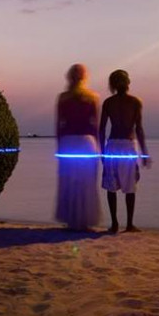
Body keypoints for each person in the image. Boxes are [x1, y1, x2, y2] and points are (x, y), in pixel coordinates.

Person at [99, 69, 150, 233]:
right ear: (128, 83)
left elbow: (101, 130)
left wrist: (102, 151)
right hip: (127, 145)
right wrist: (144, 153)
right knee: (129, 186)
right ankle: (129, 224)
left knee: (111, 186)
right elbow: (139, 129)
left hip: (113, 145)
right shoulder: (135, 102)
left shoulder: (109, 103)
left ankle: (115, 223)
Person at [55, 64, 101, 231]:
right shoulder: (92, 97)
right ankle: (84, 221)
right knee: (86, 182)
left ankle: (71, 220)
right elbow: (95, 125)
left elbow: (59, 124)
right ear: (85, 77)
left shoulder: (63, 98)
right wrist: (99, 149)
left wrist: (59, 146)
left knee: (69, 181)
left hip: (68, 142)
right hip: (86, 142)